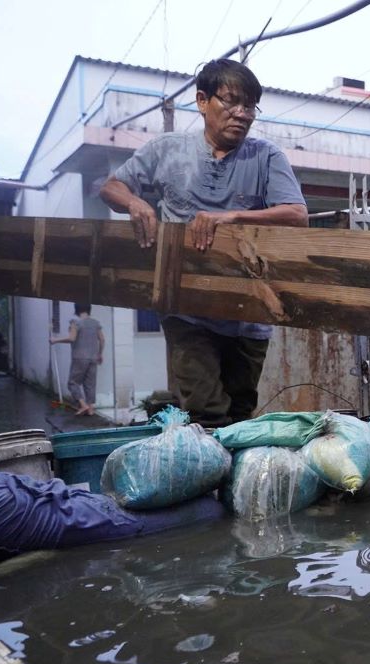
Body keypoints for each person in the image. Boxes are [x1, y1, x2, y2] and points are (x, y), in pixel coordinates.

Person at [99, 59, 309, 427]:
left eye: (249, 106)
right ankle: (208, 480)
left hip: (249, 314)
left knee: (240, 415)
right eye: (231, 102)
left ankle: (234, 483)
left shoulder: (266, 157)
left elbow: (296, 214)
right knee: (207, 412)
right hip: (187, 309)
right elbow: (110, 187)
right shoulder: (167, 149)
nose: (241, 114)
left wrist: (231, 217)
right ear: (202, 101)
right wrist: (135, 202)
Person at [50, 303, 104, 416]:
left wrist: (55, 340)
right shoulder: (96, 323)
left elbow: (71, 338)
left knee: (72, 383)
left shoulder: (75, 323)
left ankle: (83, 405)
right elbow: (102, 339)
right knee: (90, 383)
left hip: (79, 357)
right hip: (93, 357)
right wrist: (100, 354)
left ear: (77, 310)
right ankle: (90, 409)